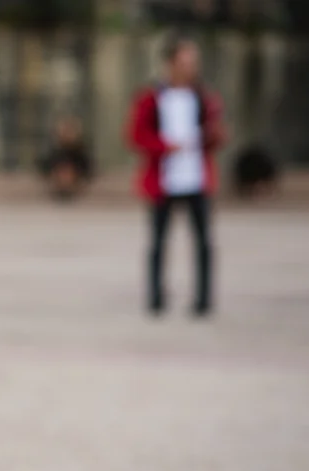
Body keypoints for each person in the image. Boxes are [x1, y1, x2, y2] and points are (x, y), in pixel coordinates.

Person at [127, 32, 225, 317]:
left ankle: (203, 299)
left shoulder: (203, 97)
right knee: (158, 242)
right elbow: (136, 136)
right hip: (164, 179)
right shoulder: (152, 98)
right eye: (185, 61)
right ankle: (156, 297)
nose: (190, 67)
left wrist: (214, 136)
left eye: (193, 61)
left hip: (196, 178)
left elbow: (215, 136)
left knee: (203, 241)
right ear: (170, 63)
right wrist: (166, 147)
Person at [39, 116, 92, 201]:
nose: (67, 134)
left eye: (70, 131)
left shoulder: (83, 159)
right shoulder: (51, 157)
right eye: (64, 131)